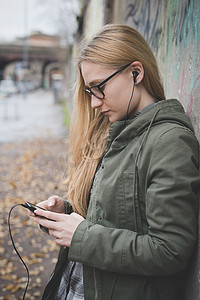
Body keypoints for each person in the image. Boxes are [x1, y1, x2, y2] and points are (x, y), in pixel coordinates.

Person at [29, 24, 200, 300]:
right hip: (77, 285)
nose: (95, 103)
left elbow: (169, 251)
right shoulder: (119, 129)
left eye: (99, 87)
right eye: (90, 91)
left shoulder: (169, 142)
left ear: (136, 73)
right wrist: (65, 212)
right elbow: (116, 217)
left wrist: (80, 236)